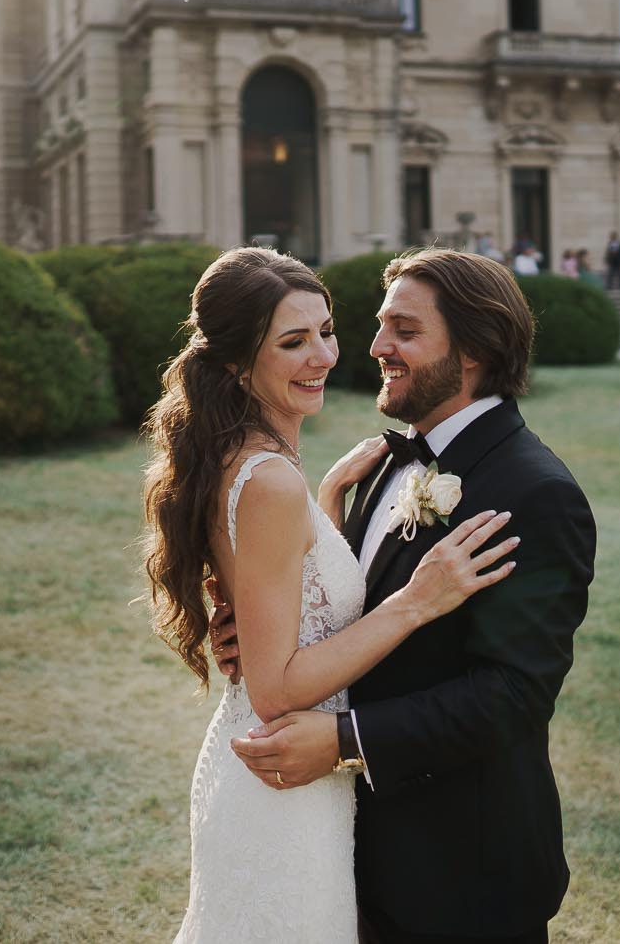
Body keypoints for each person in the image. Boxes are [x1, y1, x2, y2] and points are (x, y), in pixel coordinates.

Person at [214, 249, 597, 942]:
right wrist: (270, 624)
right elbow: (354, 606)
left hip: (461, 875)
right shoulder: (384, 462)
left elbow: (512, 695)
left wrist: (342, 744)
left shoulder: (537, 493)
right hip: (357, 853)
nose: (373, 347)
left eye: (404, 330)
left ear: (475, 349)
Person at [146, 248, 519, 943]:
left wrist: (324, 506)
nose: (322, 354)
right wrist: (414, 599)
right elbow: (275, 686)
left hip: (280, 782)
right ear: (235, 363)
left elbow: (291, 588)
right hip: (283, 791)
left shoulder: (258, 460)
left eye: (324, 329)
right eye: (293, 341)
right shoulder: (268, 480)